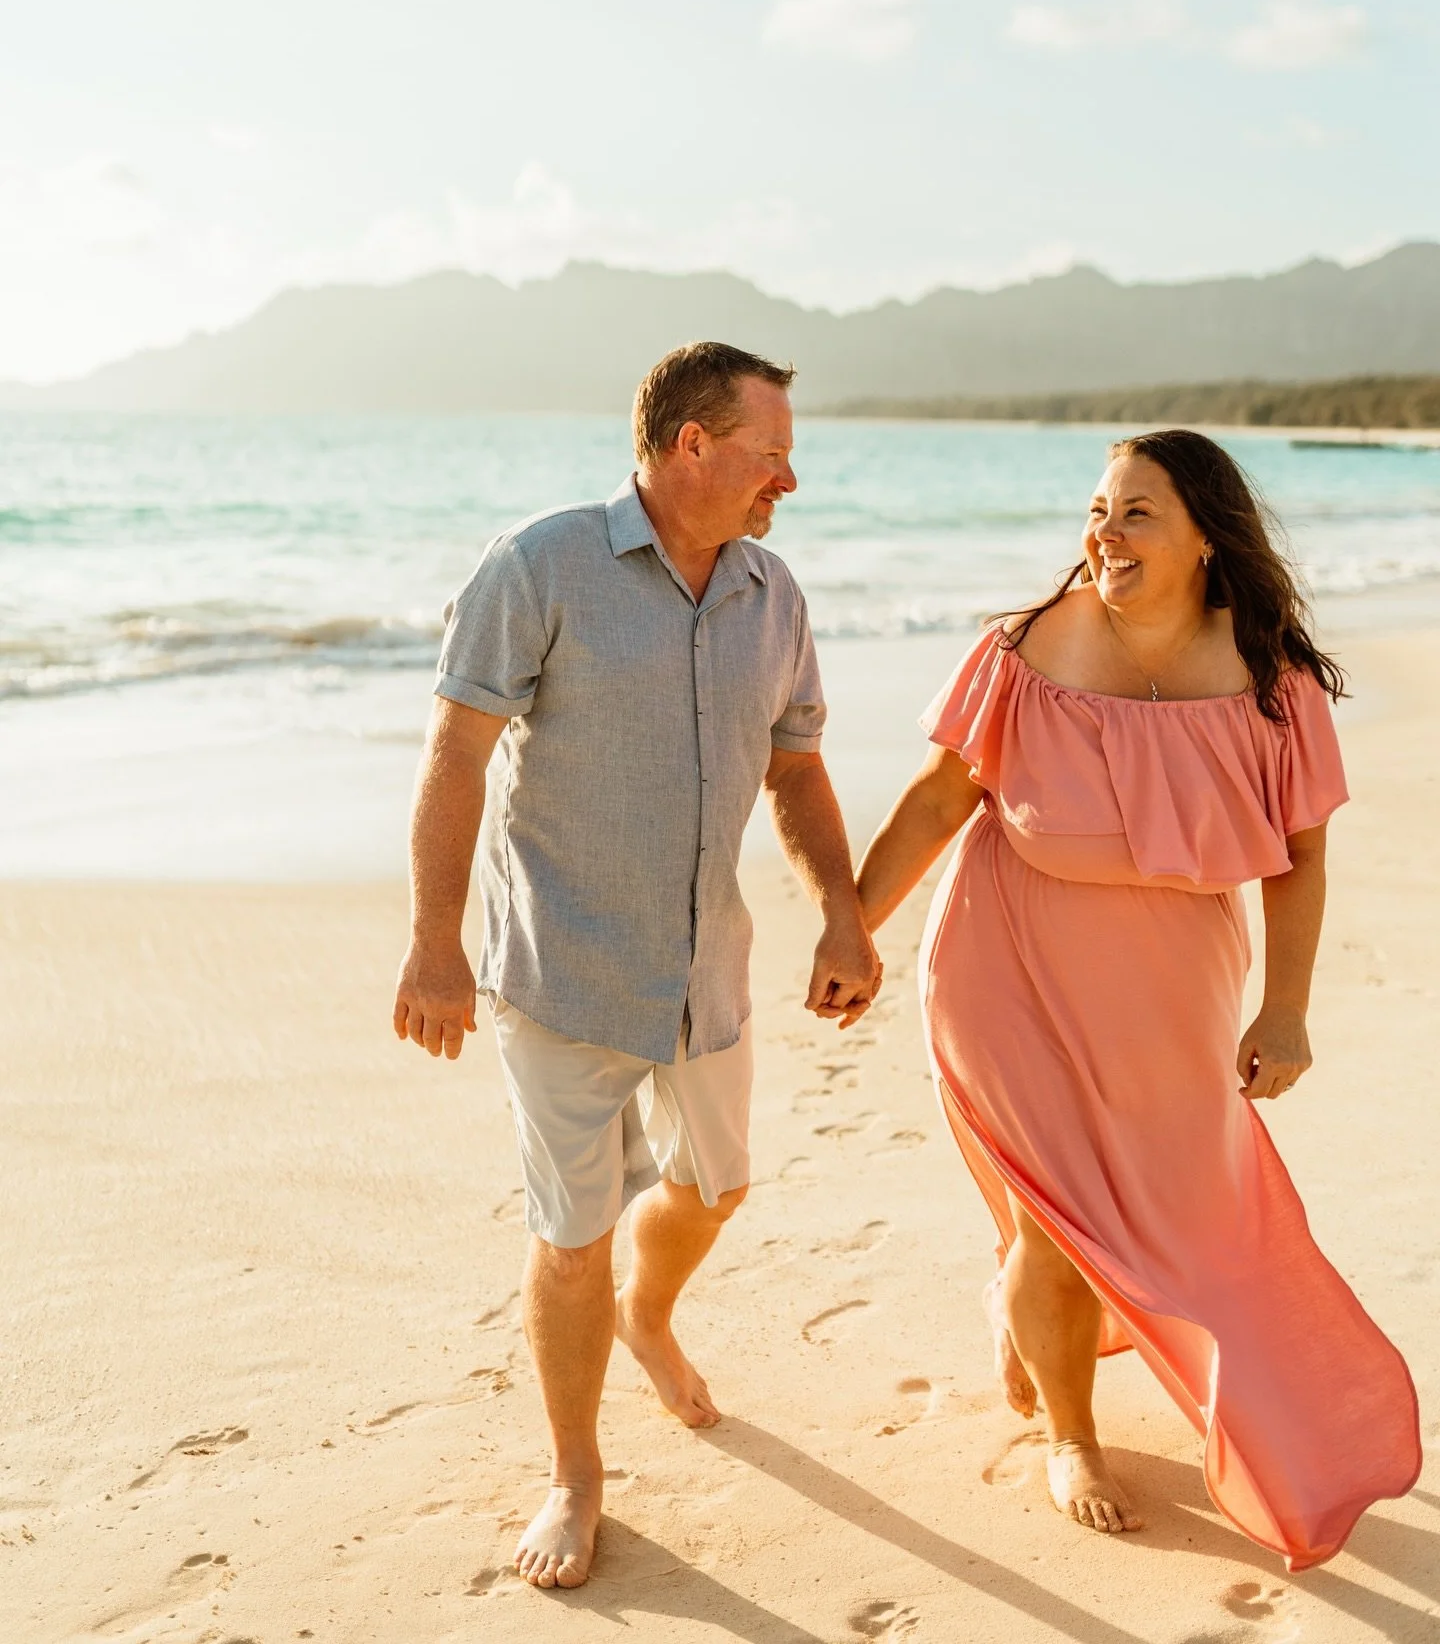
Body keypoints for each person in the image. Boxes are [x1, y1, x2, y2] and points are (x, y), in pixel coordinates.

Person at [855, 429, 1420, 1569]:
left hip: (1175, 988)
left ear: (1206, 536)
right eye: (1098, 510)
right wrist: (846, 929)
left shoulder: (1272, 686)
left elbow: (1299, 860)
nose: (1103, 534)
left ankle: (1027, 1315)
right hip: (1004, 960)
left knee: (1177, 1215)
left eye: (1136, 513)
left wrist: (1288, 1008)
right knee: (1058, 1219)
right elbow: (935, 801)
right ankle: (1072, 1437)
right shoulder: (1024, 653)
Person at [393, 341, 881, 1591]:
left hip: (703, 967)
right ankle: (576, 1473)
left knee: (716, 1190)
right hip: (556, 972)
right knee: (572, 1240)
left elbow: (799, 767)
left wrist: (842, 911)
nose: (790, 480)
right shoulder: (541, 564)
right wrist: (434, 945)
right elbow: (455, 757)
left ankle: (649, 1315)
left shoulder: (775, 595)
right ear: (692, 446)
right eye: (774, 455)